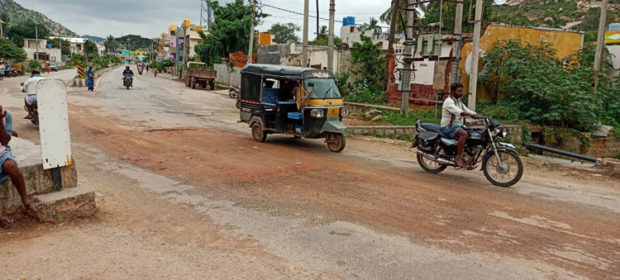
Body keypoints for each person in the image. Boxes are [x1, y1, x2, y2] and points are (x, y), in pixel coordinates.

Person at [0, 106, 40, 229]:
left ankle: (25, 199)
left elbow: (5, 141)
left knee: (11, 165)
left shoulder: (6, 116)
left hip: (1, 152)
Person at [441, 82, 482, 168]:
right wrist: (471, 115)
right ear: (452, 91)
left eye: (461, 91)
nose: (461, 93)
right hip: (448, 127)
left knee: (474, 133)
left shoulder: (458, 101)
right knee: (463, 134)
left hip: (457, 126)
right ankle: (458, 157)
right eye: (459, 91)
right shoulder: (448, 102)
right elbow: (459, 112)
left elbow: (467, 110)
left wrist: (479, 116)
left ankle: (468, 154)